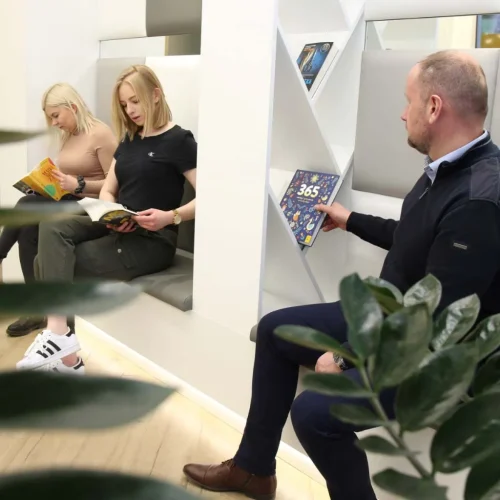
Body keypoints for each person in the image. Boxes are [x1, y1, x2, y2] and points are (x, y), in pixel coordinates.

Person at [182, 50, 500, 499]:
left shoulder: (479, 197)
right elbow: (414, 237)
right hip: (389, 317)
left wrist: (348, 357)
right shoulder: (446, 169)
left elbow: (442, 316)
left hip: (430, 356)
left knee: (314, 414)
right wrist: (350, 219)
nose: (402, 113)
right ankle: (253, 471)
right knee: (275, 329)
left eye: (409, 101)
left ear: (433, 107)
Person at [16, 64, 197, 376]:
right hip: (117, 225)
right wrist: (111, 212)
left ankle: (65, 352)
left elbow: (209, 198)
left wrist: (171, 216)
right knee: (53, 225)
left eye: (135, 101)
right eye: (125, 104)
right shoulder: (130, 140)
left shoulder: (179, 140)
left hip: (152, 240)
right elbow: (109, 189)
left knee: (43, 264)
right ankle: (61, 340)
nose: (130, 110)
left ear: (155, 95)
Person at [0, 83, 117, 338]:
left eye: (55, 116)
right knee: (28, 220)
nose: (54, 123)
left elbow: (115, 185)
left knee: (28, 208)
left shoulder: (101, 134)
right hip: (69, 200)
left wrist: (79, 184)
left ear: (72, 107)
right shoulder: (69, 135)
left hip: (91, 208)